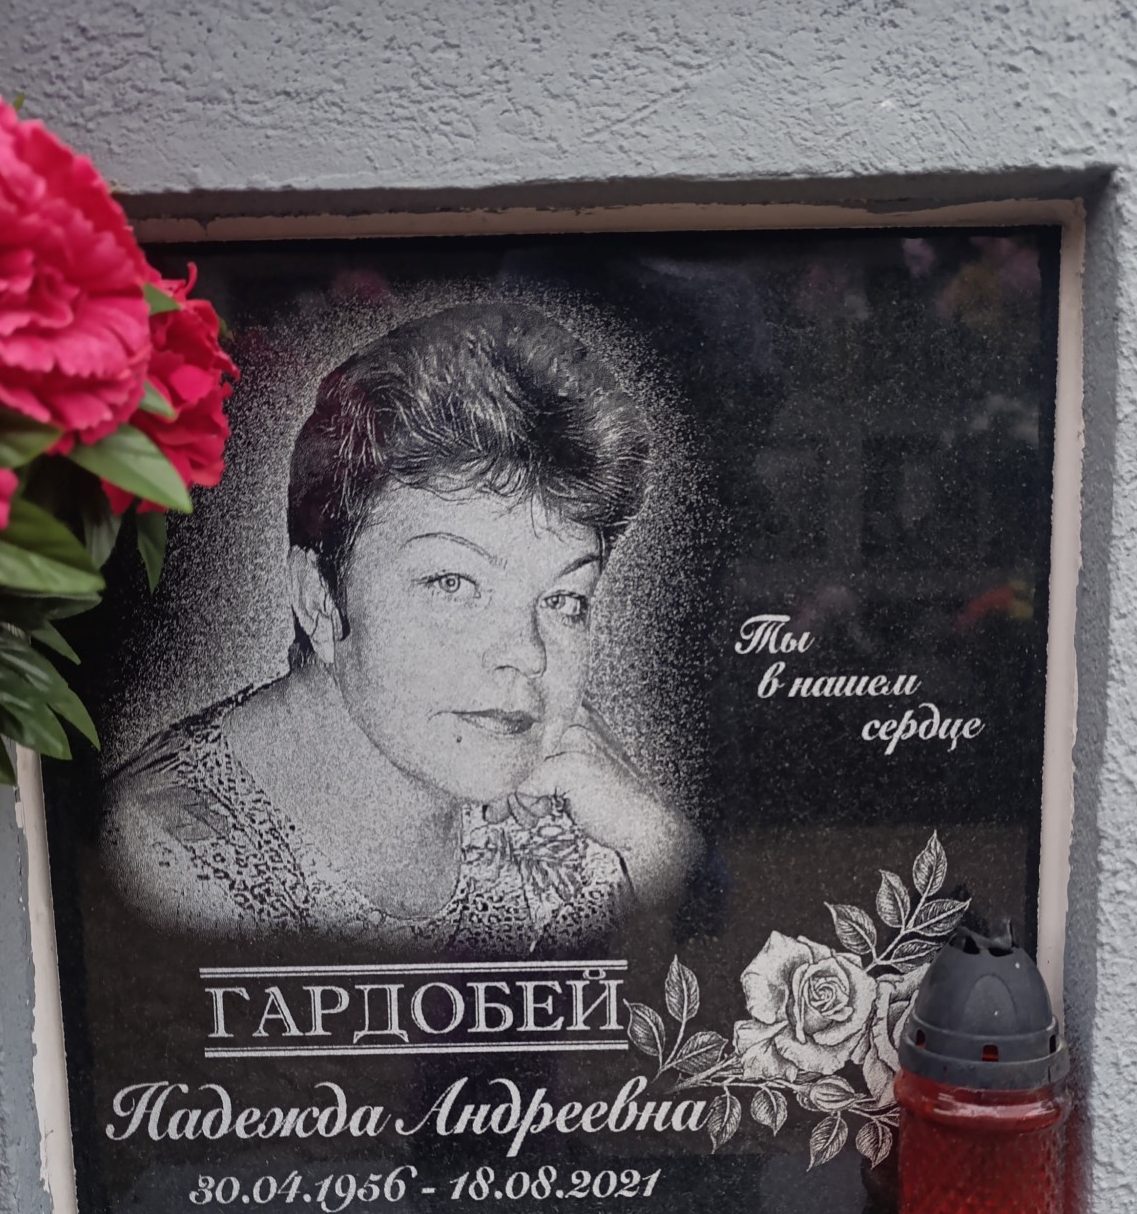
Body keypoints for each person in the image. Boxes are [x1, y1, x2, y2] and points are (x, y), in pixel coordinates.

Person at [104, 301, 699, 952]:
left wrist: (657, 845)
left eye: (564, 599)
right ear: (320, 600)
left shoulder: (574, 817)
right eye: (454, 584)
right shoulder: (162, 865)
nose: (528, 654)